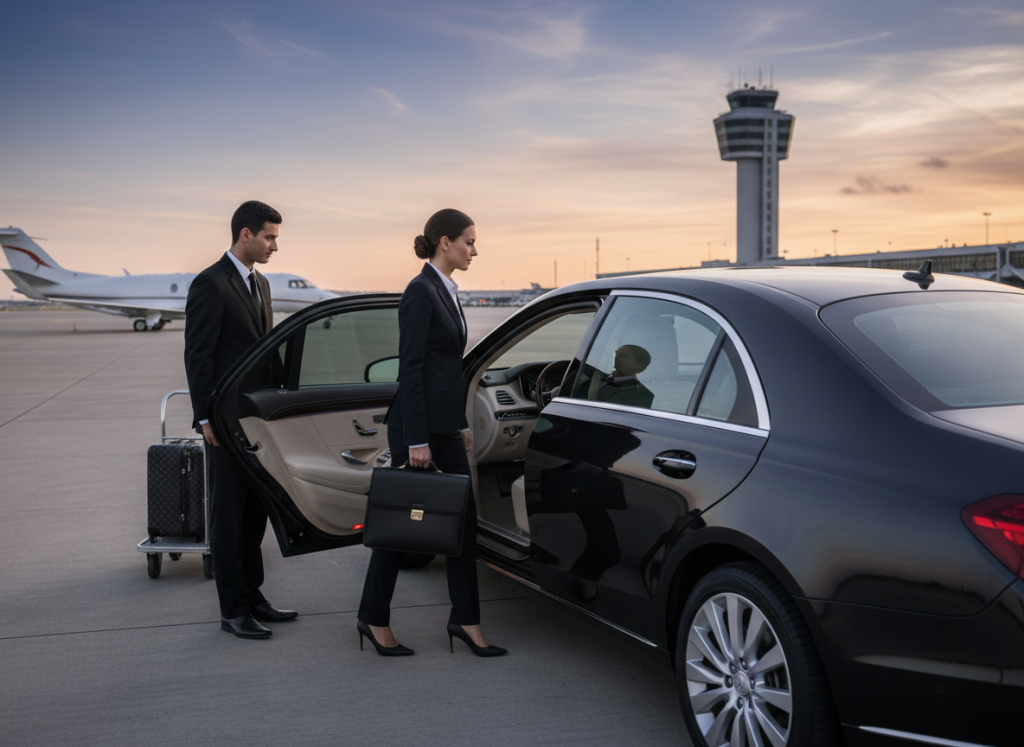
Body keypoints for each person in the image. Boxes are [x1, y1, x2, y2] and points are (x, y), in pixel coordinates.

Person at [356, 208, 506, 657]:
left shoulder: (448, 290)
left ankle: (466, 620)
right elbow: (413, 370)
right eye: (468, 242)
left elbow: (448, 371)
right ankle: (373, 617)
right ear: (445, 242)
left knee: (463, 526)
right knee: (401, 527)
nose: (474, 250)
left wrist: (459, 423)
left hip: (443, 427)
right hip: (415, 430)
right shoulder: (420, 292)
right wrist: (418, 440)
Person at [184, 200, 298, 640]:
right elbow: (199, 357)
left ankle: (254, 597)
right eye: (269, 237)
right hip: (225, 422)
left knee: (255, 514)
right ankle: (233, 610)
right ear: (245, 234)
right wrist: (204, 417)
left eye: (276, 238)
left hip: (256, 420)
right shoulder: (211, 283)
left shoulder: (261, 283)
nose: (274, 245)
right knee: (229, 519)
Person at [590, 344, 655, 409]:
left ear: (638, 366)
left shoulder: (642, 396)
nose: (617, 357)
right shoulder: (596, 375)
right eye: (617, 354)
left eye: (623, 356)